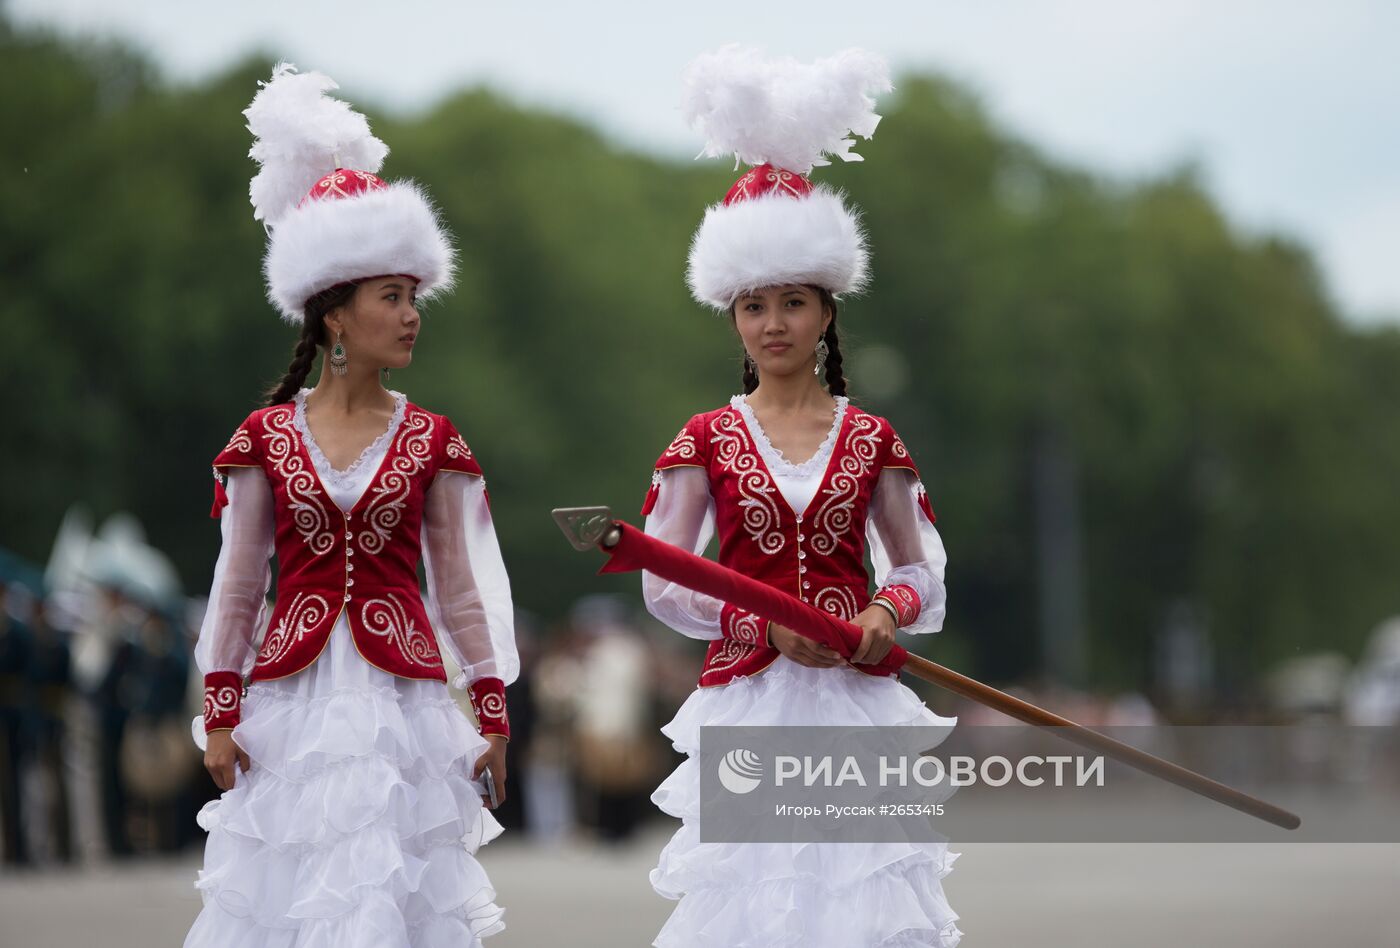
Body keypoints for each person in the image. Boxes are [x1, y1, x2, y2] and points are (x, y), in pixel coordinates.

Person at [183, 64, 517, 947]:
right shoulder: (265, 437)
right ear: (334, 313)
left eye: (414, 297)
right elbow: (238, 587)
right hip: (288, 705)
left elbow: (460, 591)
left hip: (403, 712)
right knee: (292, 897)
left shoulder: (434, 439)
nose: (412, 316)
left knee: (391, 903)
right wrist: (219, 711)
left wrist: (490, 711)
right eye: (392, 298)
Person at [640, 48, 962, 946]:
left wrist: (884, 614)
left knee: (860, 906)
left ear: (826, 310)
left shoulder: (872, 438)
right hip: (752, 696)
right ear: (732, 316)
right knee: (761, 908)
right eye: (753, 306)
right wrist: (762, 623)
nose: (773, 324)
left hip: (858, 701)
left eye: (791, 302)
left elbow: (919, 563)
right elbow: (664, 578)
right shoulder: (701, 440)